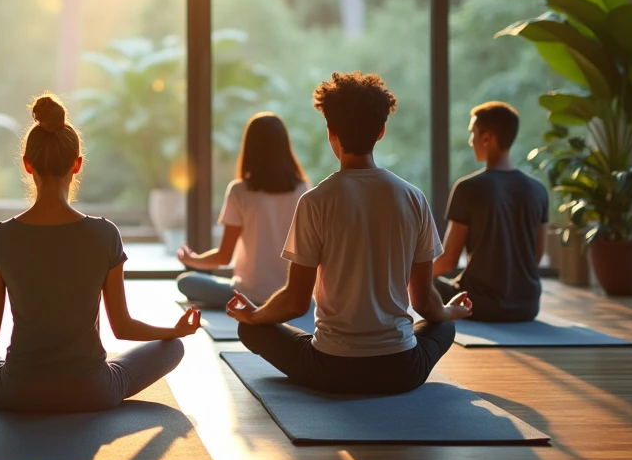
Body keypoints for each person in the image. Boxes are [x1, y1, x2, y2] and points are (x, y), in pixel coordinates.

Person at [0, 94, 201, 412]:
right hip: (93, 391)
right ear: (76, 164)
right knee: (173, 348)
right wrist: (175, 330)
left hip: (18, 392)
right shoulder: (105, 234)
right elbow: (123, 327)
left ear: (27, 164)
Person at [227, 72, 473, 396]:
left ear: (331, 132)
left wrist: (257, 315)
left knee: (251, 330)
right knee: (443, 325)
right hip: (402, 369)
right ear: (382, 131)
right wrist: (452, 311)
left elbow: (296, 301)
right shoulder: (413, 197)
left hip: (330, 369)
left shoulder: (315, 201)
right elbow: (425, 301)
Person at [177, 112, 310, 308]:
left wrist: (192, 259)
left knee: (186, 281)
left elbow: (224, 256)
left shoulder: (239, 191)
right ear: (284, 148)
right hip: (289, 295)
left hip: (248, 296)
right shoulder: (302, 189)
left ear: (250, 148)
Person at [433, 102, 549, 322]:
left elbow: (448, 261)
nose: (471, 141)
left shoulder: (468, 187)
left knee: (425, 284)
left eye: (472, 133)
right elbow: (536, 257)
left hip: (477, 304)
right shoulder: (539, 190)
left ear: (487, 138)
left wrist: (407, 279)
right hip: (527, 306)